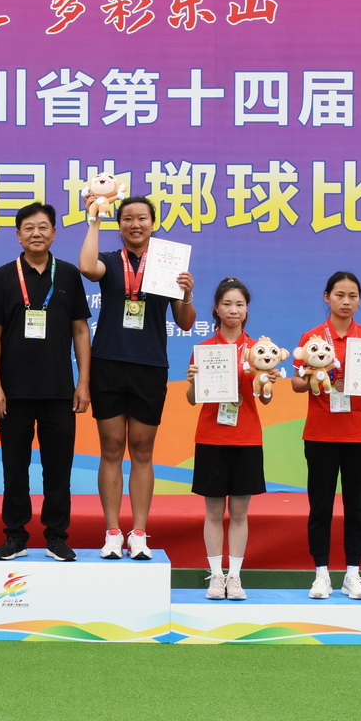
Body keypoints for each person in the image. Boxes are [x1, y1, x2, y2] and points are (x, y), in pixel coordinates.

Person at [78, 194, 195, 559]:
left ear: (152, 224)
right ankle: (113, 531)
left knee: (143, 451)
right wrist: (94, 219)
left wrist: (186, 293)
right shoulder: (110, 261)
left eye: (142, 218)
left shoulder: (166, 263)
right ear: (119, 225)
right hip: (109, 363)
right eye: (127, 218)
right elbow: (86, 267)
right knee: (111, 448)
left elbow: (184, 322)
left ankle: (140, 532)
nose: (135, 224)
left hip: (150, 365)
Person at [0, 202, 91, 561]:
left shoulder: (69, 274)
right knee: (14, 468)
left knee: (58, 468)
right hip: (13, 391)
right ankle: (15, 535)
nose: (36, 233)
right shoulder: (3, 276)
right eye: (28, 228)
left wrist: (83, 382)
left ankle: (57, 536)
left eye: (43, 227)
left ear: (54, 233)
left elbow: (80, 330)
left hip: (59, 390)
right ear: (18, 235)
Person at [294, 270, 361, 600]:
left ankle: (353, 574)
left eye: (353, 296)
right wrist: (310, 374)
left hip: (360, 433)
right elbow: (296, 384)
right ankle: (321, 574)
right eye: (339, 295)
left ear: (359, 300)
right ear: (327, 297)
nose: (346, 301)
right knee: (320, 507)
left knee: (356, 507)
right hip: (321, 434)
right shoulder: (312, 337)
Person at [185, 278, 269, 599]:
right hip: (212, 437)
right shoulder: (205, 350)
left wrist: (267, 381)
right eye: (227, 304)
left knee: (239, 513)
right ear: (217, 309)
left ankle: (235, 577)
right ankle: (216, 577)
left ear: (246, 310)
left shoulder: (259, 350)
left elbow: (265, 401)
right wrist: (193, 381)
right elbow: (192, 400)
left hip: (247, 438)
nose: (234, 310)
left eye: (240, 304)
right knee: (213, 512)